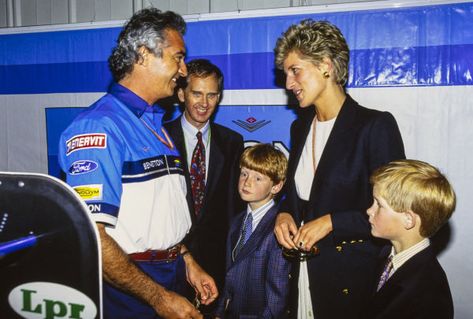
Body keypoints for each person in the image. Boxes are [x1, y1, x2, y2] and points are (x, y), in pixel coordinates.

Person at [58, 8, 217, 319]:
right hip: (128, 290)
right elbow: (94, 235)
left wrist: (186, 260)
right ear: (144, 55)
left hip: (169, 275)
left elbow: (158, 214)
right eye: (178, 57)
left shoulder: (155, 124)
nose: (183, 70)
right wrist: (159, 298)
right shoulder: (99, 127)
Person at [272, 19, 405, 319]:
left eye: (295, 71)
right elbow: (299, 196)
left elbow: (396, 211)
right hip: (303, 276)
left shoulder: (375, 126)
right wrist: (284, 212)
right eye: (285, 74)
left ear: (326, 66)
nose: (288, 84)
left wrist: (332, 222)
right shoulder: (299, 127)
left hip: (351, 282)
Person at [164, 59, 244, 300]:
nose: (204, 103)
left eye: (211, 95)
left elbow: (235, 206)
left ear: (218, 97)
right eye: (197, 94)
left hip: (216, 263)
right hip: (169, 259)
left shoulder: (232, 142)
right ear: (181, 94)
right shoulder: (159, 137)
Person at [364, 159, 455, 319]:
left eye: (379, 204)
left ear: (408, 220)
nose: (369, 210)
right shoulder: (385, 255)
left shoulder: (429, 293)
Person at [215, 143, 291, 318]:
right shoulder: (236, 221)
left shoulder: (278, 229)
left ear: (276, 187)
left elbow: (277, 299)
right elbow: (230, 274)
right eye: (244, 174)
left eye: (258, 178)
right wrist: (219, 312)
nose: (247, 182)